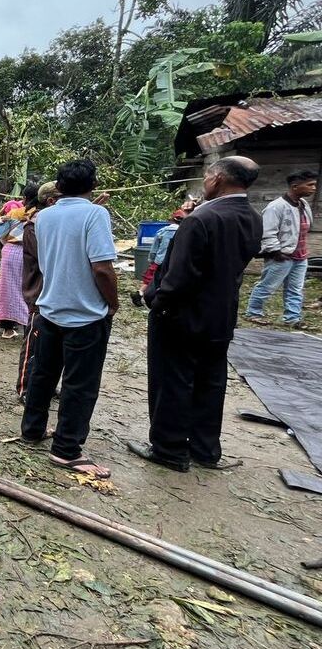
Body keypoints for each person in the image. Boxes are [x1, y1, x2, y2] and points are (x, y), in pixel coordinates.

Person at [128, 157, 263, 471]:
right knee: (210, 382)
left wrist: (155, 301)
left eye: (207, 175)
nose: (205, 180)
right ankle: (205, 449)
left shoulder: (202, 220)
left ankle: (169, 448)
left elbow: (179, 277)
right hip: (220, 315)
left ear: (217, 179)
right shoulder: (253, 217)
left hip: (182, 316)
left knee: (173, 380)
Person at [20, 159, 118, 480]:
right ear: (92, 185)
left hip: (50, 309)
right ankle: (66, 449)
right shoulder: (95, 214)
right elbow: (102, 267)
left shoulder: (44, 216)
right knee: (80, 383)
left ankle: (32, 429)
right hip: (86, 314)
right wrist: (112, 303)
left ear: (58, 187)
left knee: (43, 374)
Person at [245, 170, 317, 329]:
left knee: (296, 289)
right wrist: (276, 252)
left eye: (314, 185)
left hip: (300, 256)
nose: (313, 188)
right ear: (295, 186)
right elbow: (267, 232)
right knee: (268, 286)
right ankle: (253, 312)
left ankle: (292, 318)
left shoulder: (303, 205)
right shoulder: (276, 207)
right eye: (310, 185)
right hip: (281, 256)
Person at [17, 181, 59, 402]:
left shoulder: (53, 223)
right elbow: (45, 260)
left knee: (51, 346)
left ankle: (47, 386)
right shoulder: (33, 226)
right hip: (39, 292)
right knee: (32, 342)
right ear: (51, 201)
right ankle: (24, 387)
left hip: (53, 293)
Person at [130, 203, 194, 307]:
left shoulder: (162, 231)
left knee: (150, 279)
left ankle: (141, 293)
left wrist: (152, 259)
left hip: (159, 260)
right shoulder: (184, 232)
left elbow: (154, 247)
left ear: (171, 220)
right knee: (166, 281)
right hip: (173, 262)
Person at [0, 185, 36, 339]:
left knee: (8, 291)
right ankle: (29, 325)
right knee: (29, 288)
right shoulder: (42, 213)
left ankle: (7, 328)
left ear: (24, 198)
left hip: (12, 253)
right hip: (33, 254)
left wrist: (1, 220)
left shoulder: (15, 212)